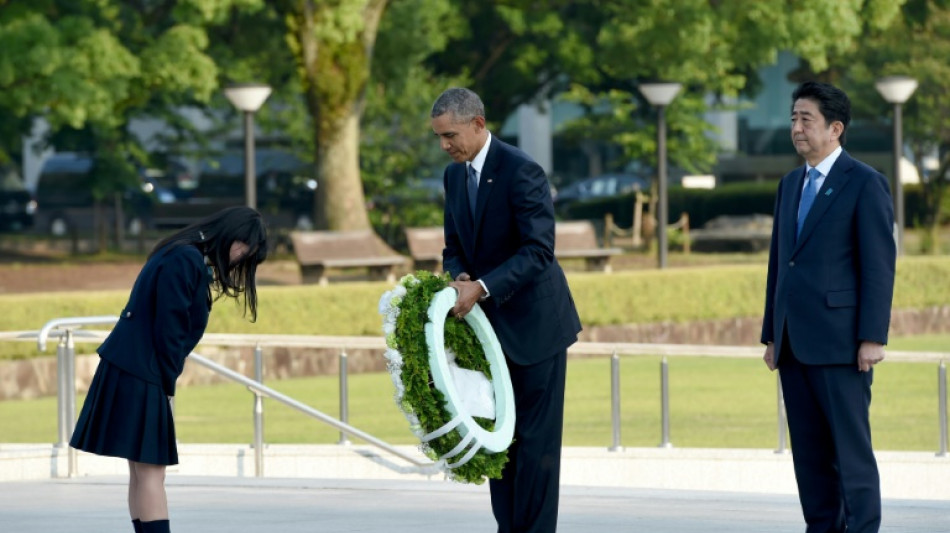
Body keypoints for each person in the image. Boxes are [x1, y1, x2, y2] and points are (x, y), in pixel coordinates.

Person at [431, 87, 582, 533]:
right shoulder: (453, 176)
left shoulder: (522, 171)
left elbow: (539, 250)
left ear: (478, 124)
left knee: (536, 450)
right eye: (439, 137)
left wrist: (481, 287)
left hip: (537, 331)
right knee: (500, 444)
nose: (445, 146)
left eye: (451, 135)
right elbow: (453, 246)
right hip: (491, 335)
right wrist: (458, 277)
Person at [70, 206, 268, 533]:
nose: (240, 259)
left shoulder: (180, 254)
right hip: (142, 370)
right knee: (151, 472)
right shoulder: (185, 259)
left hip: (132, 366)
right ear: (233, 235)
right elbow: (170, 327)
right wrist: (167, 381)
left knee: (142, 470)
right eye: (244, 250)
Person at [761, 81, 896, 533]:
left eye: (807, 120)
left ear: (835, 128)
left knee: (851, 458)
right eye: (794, 118)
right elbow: (781, 264)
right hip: (794, 345)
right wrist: (770, 335)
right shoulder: (788, 185)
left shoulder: (865, 183)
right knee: (811, 459)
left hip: (842, 346)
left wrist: (872, 337)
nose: (796, 128)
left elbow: (879, 267)